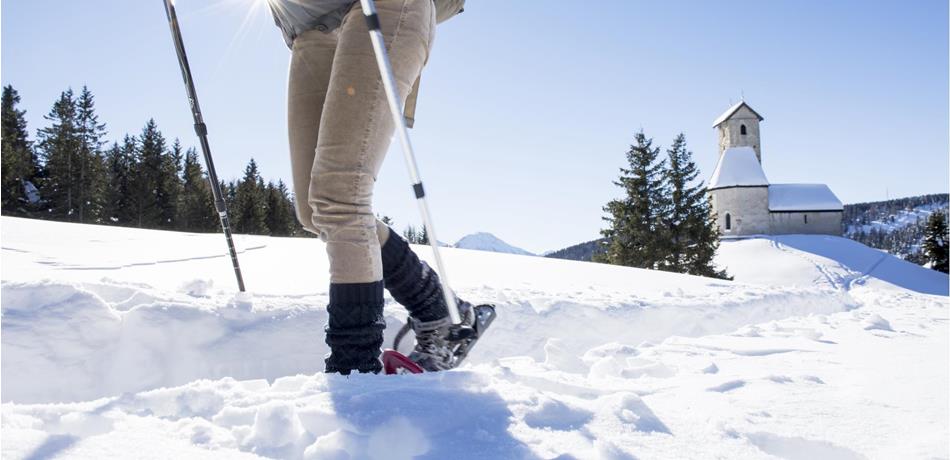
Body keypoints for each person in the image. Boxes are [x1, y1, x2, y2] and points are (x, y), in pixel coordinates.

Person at [267, 0, 467, 375]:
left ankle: (354, 371)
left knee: (340, 196)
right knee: (316, 212)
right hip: (308, 33)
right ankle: (437, 308)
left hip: (381, 7)